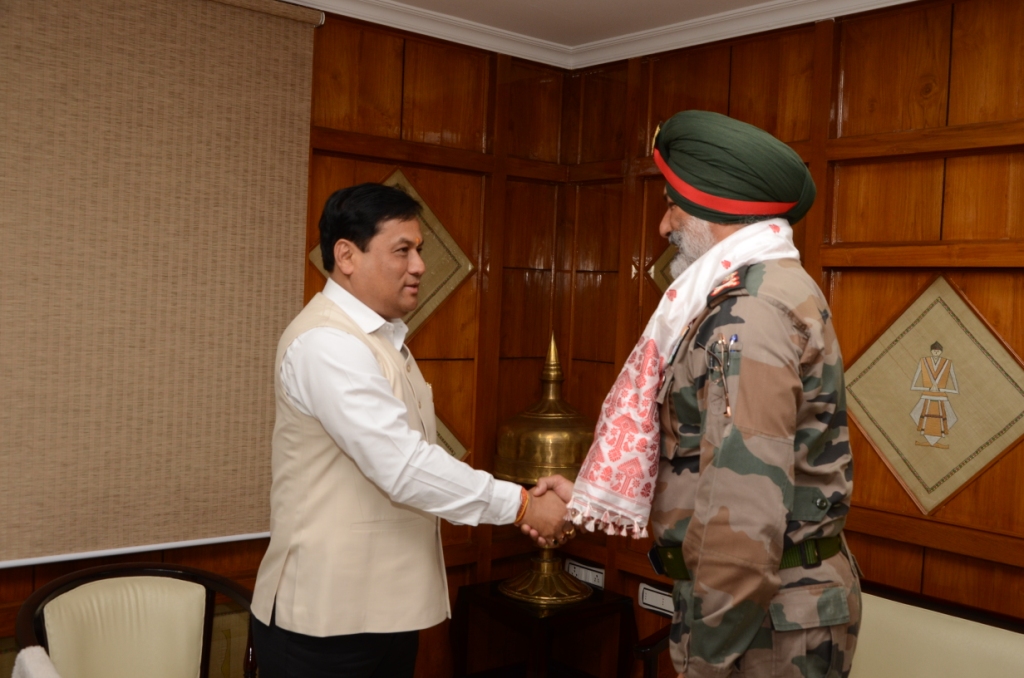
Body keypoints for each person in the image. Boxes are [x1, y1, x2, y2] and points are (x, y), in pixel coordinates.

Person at [529, 111, 860, 678]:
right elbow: (701, 453)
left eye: (673, 204)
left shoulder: (748, 315)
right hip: (758, 608)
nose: (663, 225)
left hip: (762, 622)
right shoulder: (751, 292)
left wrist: (702, 660)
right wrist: (591, 493)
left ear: (717, 206)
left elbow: (744, 509)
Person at [250, 183, 569, 678]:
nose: (419, 265)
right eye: (403, 250)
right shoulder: (327, 343)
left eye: (419, 250)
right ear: (346, 255)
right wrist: (524, 505)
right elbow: (403, 467)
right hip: (324, 626)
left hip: (378, 615)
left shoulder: (382, 338)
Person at [910, 341, 958, 447]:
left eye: (938, 351)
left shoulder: (948, 363)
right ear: (931, 351)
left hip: (941, 396)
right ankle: (929, 439)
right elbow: (913, 385)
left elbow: (955, 387)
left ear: (941, 352)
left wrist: (942, 390)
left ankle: (934, 440)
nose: (936, 352)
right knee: (915, 413)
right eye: (934, 350)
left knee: (950, 417)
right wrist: (927, 388)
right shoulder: (923, 361)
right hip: (927, 394)